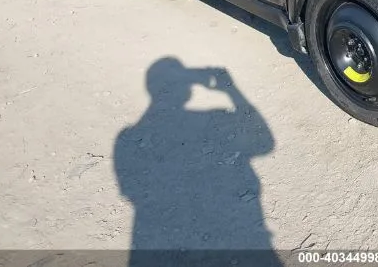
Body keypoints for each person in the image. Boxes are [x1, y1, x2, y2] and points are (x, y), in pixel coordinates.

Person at [114, 57, 277, 262]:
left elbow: (131, 191)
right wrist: (231, 89)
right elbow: (265, 143)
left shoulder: (125, 138)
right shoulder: (213, 117)